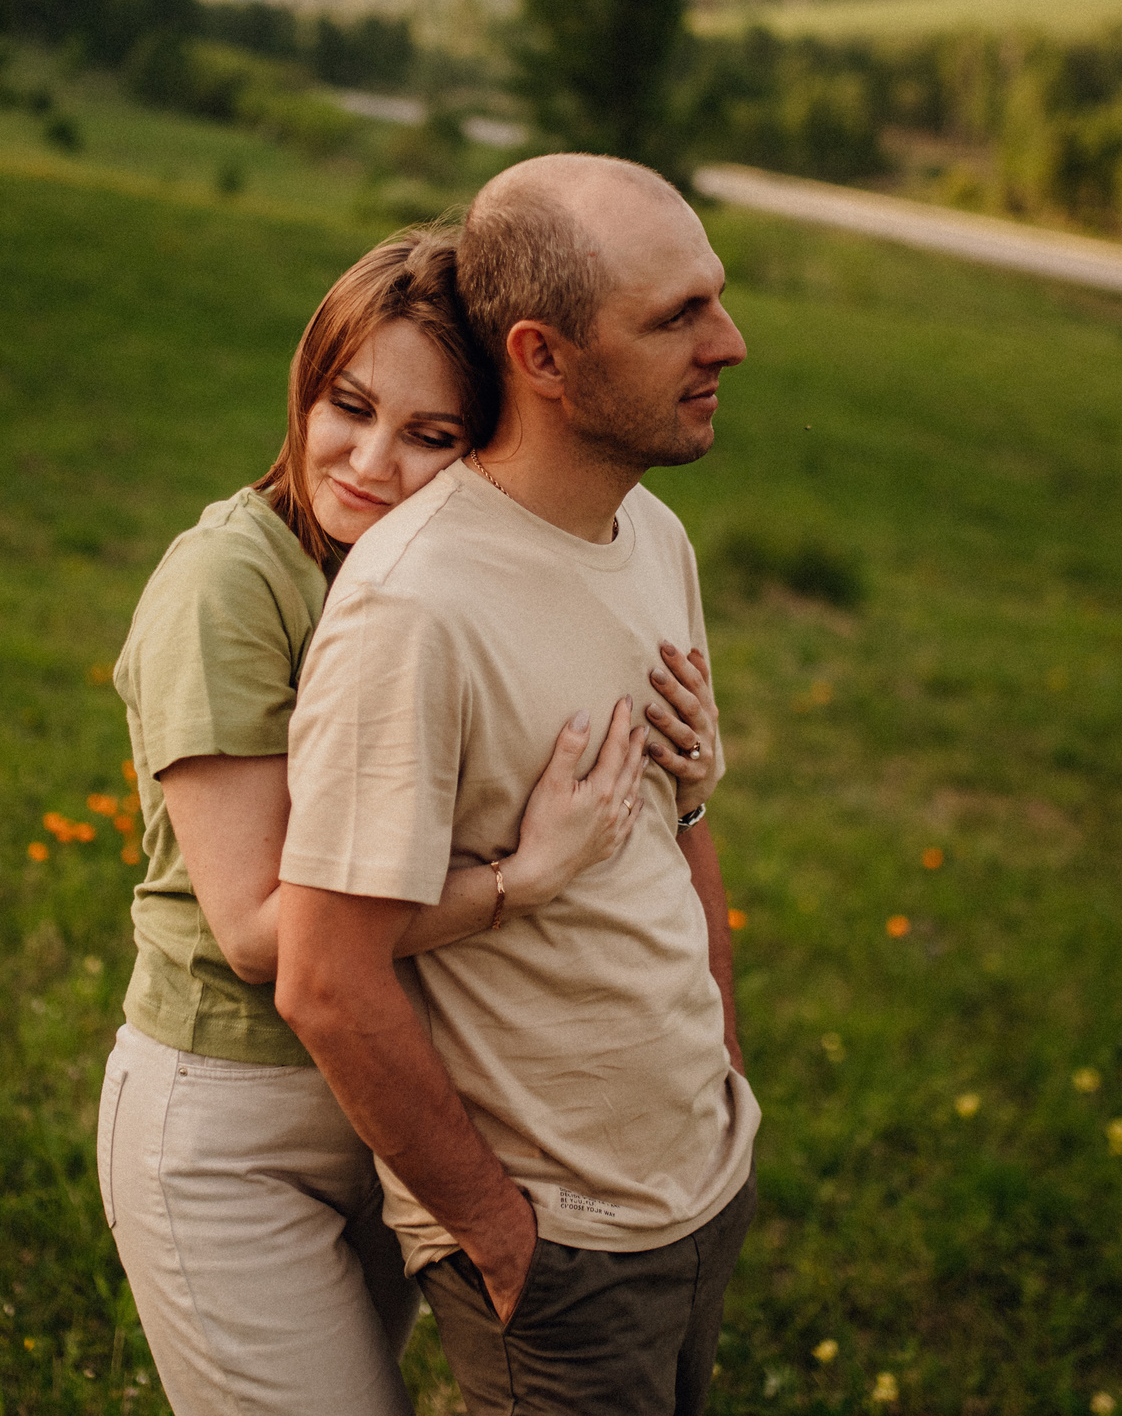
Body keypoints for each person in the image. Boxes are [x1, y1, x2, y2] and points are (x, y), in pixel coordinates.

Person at [101, 223, 717, 1416]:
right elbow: (260, 932)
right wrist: (517, 880)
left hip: (393, 1095)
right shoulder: (232, 582)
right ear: (305, 384)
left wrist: (683, 774)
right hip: (235, 1120)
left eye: (431, 435)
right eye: (348, 405)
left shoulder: (441, 574)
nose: (371, 462)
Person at [274, 155, 756, 1416]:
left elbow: (678, 815)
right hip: (561, 1245)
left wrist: (724, 1072)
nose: (728, 342)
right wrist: (497, 1231)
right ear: (541, 355)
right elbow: (325, 975)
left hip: (698, 1182)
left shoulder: (653, 533)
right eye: (677, 317)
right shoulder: (412, 605)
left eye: (715, 297)